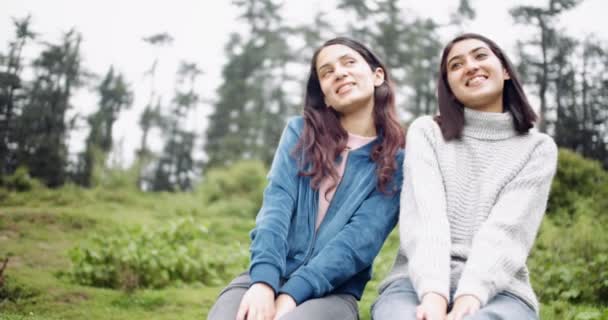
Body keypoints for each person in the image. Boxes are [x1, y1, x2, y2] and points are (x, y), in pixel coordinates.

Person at [208, 36, 405, 320]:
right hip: (267, 277)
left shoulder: (396, 161)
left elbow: (358, 242)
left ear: (377, 75)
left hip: (333, 293)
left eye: (349, 62)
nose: (339, 72)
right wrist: (263, 282)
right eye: (327, 71)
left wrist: (292, 296)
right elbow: (276, 208)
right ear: (324, 93)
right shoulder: (299, 133)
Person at [372, 33, 558, 320]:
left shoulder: (538, 149)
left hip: (502, 290)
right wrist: (433, 294)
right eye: (456, 65)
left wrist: (469, 298)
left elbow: (506, 232)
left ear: (505, 70)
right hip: (413, 283)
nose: (470, 66)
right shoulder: (427, 132)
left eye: (480, 56)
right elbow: (426, 219)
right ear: (449, 87)